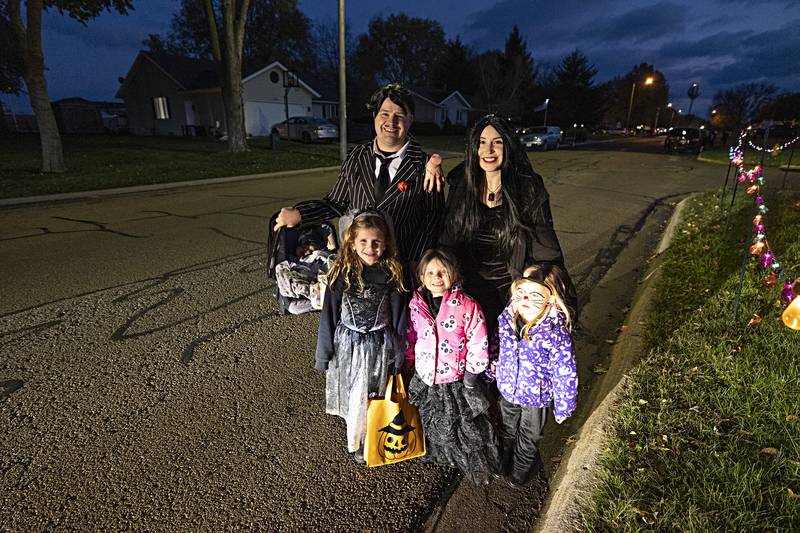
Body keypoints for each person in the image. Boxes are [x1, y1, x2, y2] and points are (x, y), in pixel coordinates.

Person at [437, 114, 578, 344]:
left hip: (509, 293)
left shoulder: (528, 187)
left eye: (497, 142)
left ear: (509, 146)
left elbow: (546, 249)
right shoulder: (462, 184)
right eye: (482, 142)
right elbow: (447, 241)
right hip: (467, 293)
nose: (488, 149)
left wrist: (538, 278)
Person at [273, 84, 445, 270]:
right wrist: (300, 214)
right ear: (375, 116)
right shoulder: (356, 157)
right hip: (357, 264)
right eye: (384, 114)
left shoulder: (425, 166)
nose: (391, 121)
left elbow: (432, 219)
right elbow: (336, 203)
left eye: (399, 116)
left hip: (402, 266)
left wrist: (416, 259)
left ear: (410, 120)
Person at [315, 210, 407, 461]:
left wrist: (400, 353)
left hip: (380, 346)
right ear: (352, 243)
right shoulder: (341, 275)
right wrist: (323, 355)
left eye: (376, 242)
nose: (370, 247)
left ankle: (375, 434)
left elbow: (399, 318)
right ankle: (357, 442)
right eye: (363, 241)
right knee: (355, 394)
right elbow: (329, 316)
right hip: (349, 346)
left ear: (385, 243)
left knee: (375, 394)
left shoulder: (392, 275)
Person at [404, 249, 500, 484]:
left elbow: (478, 341)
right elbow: (412, 335)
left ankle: (466, 461)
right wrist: (409, 361)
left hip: (456, 379)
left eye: (442, 272)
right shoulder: (416, 304)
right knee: (433, 420)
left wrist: (471, 375)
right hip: (426, 376)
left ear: (453, 275)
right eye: (431, 272)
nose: (437, 277)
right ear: (422, 277)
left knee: (463, 425)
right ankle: (443, 455)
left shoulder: (467, 305)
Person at [492, 263, 577, 488]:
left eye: (535, 293)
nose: (525, 298)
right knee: (506, 427)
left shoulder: (555, 332)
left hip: (535, 397)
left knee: (529, 437)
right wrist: (491, 369)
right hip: (509, 388)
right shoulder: (508, 317)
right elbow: (497, 345)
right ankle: (503, 458)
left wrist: (563, 405)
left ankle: (519, 470)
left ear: (550, 297)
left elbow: (564, 372)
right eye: (522, 290)